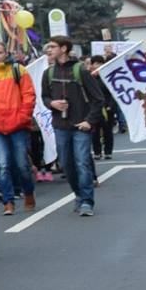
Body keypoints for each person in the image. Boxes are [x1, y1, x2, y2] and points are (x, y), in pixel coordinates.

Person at [39, 37, 101, 216]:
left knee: (82, 163)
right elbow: (44, 97)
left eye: (52, 47)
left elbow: (98, 99)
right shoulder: (48, 73)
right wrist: (52, 104)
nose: (49, 50)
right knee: (66, 164)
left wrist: (89, 121)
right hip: (60, 126)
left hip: (81, 125)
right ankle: (79, 194)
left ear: (64, 48)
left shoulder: (81, 70)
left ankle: (87, 201)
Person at [0, 41, 36, 214]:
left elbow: (29, 95)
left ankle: (28, 192)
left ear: (6, 53)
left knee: (22, 165)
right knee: (2, 165)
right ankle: (8, 201)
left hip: (17, 125)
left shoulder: (19, 70)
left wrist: (22, 117)